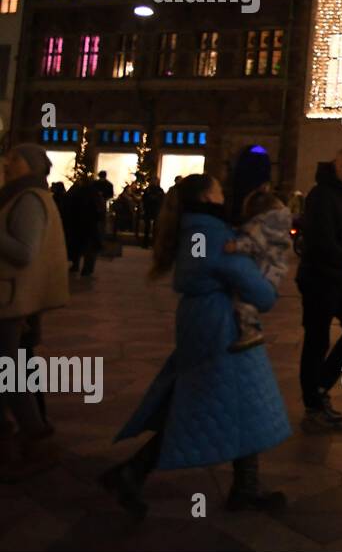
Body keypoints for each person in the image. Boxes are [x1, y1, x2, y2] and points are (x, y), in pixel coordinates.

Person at [101, 173, 289, 516]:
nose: (224, 194)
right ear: (206, 197)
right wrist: (265, 293)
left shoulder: (194, 228)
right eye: (218, 190)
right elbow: (242, 275)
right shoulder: (210, 231)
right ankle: (135, 472)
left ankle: (242, 484)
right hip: (222, 325)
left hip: (203, 319)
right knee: (222, 401)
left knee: (217, 400)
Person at [0, 145, 71, 482]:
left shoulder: (29, 199)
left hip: (7, 301)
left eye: (14, 157)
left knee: (8, 371)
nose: (6, 161)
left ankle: (37, 437)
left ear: (28, 164)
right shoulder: (17, 195)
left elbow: (24, 252)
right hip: (7, 298)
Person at [296, 149, 342, 428]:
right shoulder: (321, 194)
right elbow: (321, 240)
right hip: (318, 275)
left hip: (338, 274)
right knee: (317, 338)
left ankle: (321, 386)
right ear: (334, 165)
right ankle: (313, 403)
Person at [225, 188, 293, 353]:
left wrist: (236, 246)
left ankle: (250, 330)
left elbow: (254, 242)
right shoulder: (280, 223)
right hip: (274, 271)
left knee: (244, 302)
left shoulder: (261, 224)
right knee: (248, 301)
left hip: (265, 268)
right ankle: (250, 328)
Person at [63, 176, 105, 277]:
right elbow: (99, 209)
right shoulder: (94, 193)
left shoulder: (76, 192)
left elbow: (69, 206)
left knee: (77, 246)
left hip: (78, 223)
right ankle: (87, 269)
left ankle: (76, 265)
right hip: (90, 224)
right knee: (89, 248)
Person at [140, 179, 165, 247]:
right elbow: (144, 199)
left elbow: (162, 199)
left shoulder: (159, 190)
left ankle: (153, 243)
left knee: (155, 228)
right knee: (147, 228)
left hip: (156, 210)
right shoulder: (148, 190)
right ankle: (146, 243)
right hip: (149, 210)